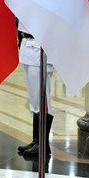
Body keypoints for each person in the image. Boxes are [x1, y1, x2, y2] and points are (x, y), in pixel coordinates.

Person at [16, 22, 53, 159]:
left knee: (42, 99)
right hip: (27, 44)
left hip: (40, 47)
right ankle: (37, 140)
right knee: (33, 100)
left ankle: (43, 144)